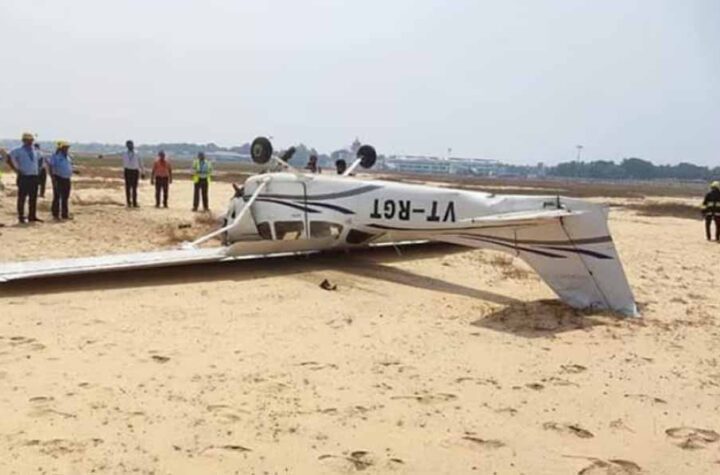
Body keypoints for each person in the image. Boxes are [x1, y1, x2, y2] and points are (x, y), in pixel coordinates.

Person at [6, 132, 42, 223]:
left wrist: (38, 169)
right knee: (22, 197)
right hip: (24, 177)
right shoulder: (18, 150)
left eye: (32, 140)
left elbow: (40, 159)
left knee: (33, 197)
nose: (30, 142)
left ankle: (32, 216)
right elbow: (8, 158)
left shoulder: (35, 150)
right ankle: (21, 216)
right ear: (24, 140)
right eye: (28, 140)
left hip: (34, 176)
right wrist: (16, 170)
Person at [48, 141, 73, 220]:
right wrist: (52, 178)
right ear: (60, 148)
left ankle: (64, 214)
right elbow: (50, 166)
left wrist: (73, 171)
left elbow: (68, 166)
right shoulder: (55, 156)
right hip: (58, 178)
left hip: (67, 178)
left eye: (67, 147)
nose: (66, 149)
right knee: (57, 196)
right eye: (65, 147)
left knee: (65, 197)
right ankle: (55, 214)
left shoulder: (68, 157)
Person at [122, 140, 144, 207]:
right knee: (127, 188)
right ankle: (128, 202)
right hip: (127, 171)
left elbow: (141, 163)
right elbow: (123, 162)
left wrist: (143, 172)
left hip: (135, 171)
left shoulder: (137, 153)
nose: (130, 146)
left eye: (131, 144)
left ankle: (134, 202)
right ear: (126, 146)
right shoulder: (124, 153)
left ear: (133, 145)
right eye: (128, 145)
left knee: (134, 188)